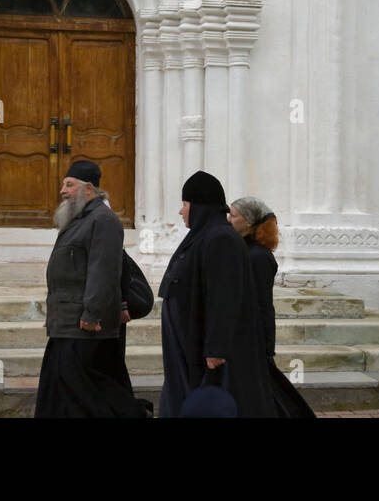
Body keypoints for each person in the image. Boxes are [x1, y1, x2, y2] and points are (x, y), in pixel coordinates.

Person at [156, 170, 277, 417]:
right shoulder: (204, 235)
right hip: (190, 343)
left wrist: (216, 347)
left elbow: (224, 297)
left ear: (199, 206)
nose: (181, 211)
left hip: (205, 350)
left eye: (185, 204)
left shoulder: (221, 238)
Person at [34, 160, 146, 417]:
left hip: (85, 325)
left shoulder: (102, 220)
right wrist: (55, 314)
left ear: (89, 189)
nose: (62, 190)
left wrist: (92, 313)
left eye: (69, 185)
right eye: (64, 184)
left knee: (81, 390)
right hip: (67, 321)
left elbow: (103, 272)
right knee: (60, 383)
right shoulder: (80, 219)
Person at [228, 196, 316, 418]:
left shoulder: (258, 257)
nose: (228, 219)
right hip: (244, 336)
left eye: (233, 215)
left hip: (253, 337)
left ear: (248, 222)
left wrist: (266, 345)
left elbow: (262, 304)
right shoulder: (244, 250)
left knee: (270, 391)